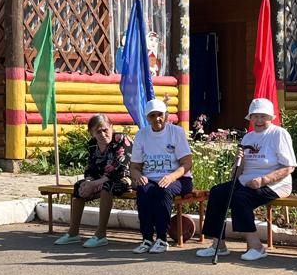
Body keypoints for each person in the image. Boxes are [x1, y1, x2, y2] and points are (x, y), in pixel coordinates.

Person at [196, 98, 296, 262]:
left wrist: (263, 180)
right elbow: (238, 172)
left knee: (241, 198)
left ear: (270, 117)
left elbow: (289, 167)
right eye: (255, 116)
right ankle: (218, 244)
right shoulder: (248, 138)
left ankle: (256, 246)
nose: (258, 121)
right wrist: (238, 162)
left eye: (263, 116)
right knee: (218, 192)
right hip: (246, 181)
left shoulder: (279, 134)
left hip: (276, 183)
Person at [54, 113, 131, 249]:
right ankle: (73, 233)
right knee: (79, 186)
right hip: (100, 179)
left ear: (111, 127)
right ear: (92, 133)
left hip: (127, 178)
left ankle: (100, 234)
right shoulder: (92, 145)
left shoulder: (122, 140)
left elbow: (120, 171)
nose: (102, 134)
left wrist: (93, 184)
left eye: (105, 130)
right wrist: (88, 181)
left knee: (108, 186)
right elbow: (91, 169)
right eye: (98, 131)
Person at [128, 98, 194, 254]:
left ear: (166, 115)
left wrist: (171, 177)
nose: (157, 119)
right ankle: (147, 238)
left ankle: (162, 239)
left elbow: (187, 163)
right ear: (147, 118)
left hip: (179, 178)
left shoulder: (176, 132)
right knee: (143, 190)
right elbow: (135, 167)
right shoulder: (141, 135)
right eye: (152, 115)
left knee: (163, 191)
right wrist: (138, 176)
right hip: (151, 178)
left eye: (160, 114)